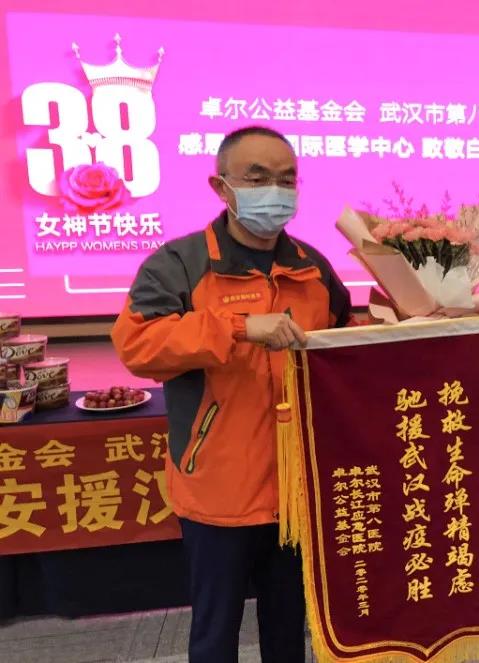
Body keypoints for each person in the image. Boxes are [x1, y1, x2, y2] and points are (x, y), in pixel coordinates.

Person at [112, 126, 351, 663]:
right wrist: (238, 328)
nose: (276, 191)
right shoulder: (179, 264)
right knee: (215, 633)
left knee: (288, 628)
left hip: (296, 487)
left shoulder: (312, 267)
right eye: (258, 178)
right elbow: (138, 345)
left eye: (287, 179)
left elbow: (343, 346)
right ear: (221, 187)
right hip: (218, 487)